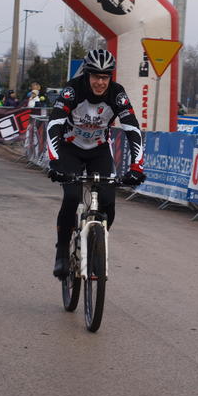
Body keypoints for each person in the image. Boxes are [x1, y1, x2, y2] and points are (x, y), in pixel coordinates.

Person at [46, 49, 145, 279]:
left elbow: (132, 129)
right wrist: (55, 161)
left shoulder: (117, 94)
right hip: (70, 149)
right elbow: (54, 125)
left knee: (108, 202)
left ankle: (96, 247)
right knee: (71, 197)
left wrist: (136, 167)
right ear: (87, 75)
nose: (100, 82)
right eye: (95, 77)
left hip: (99, 151)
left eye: (105, 77)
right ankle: (62, 251)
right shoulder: (73, 90)